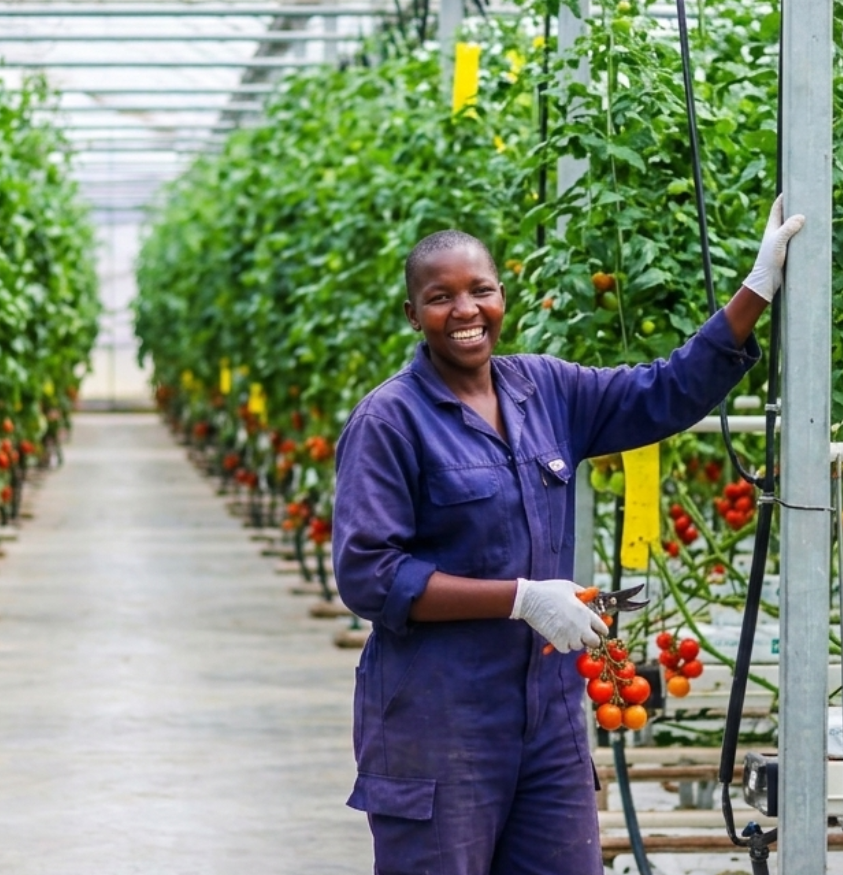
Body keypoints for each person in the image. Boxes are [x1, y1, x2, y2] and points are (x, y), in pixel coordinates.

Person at [331, 198, 805, 875]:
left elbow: (662, 391)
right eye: (441, 297)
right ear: (413, 314)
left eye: (481, 291)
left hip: (548, 721)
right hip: (439, 727)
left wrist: (757, 286)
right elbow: (370, 575)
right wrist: (519, 598)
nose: (465, 311)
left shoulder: (545, 389)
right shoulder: (388, 422)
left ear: (502, 295)